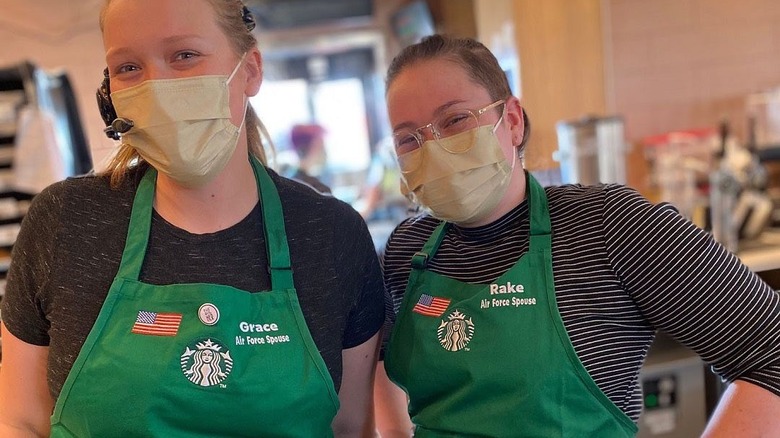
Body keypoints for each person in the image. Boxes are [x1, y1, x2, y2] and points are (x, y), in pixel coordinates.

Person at [0, 1, 383, 436]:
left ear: (250, 70)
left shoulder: (332, 235)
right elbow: (20, 422)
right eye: (128, 67)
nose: (156, 86)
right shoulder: (64, 223)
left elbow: (351, 428)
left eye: (184, 56)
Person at [374, 34, 780, 437]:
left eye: (455, 120)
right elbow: (378, 376)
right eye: (409, 138)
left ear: (512, 121)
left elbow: (771, 349)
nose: (435, 147)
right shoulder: (405, 251)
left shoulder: (607, 226)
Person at [288, 123, 332, 194]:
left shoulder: (289, 178)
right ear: (303, 150)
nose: (324, 152)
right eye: (320, 146)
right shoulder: (316, 188)